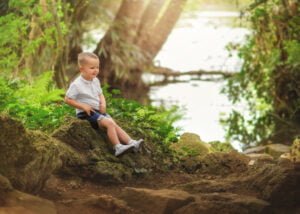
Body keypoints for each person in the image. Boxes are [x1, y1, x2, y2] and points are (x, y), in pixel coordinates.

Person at [65, 52, 143, 156]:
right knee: (109, 123)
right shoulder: (76, 84)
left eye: (97, 67)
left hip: (97, 111)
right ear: (82, 69)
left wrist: (103, 104)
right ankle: (118, 147)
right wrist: (83, 106)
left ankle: (131, 142)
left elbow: (100, 94)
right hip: (86, 113)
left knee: (113, 123)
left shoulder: (95, 80)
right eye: (92, 68)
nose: (96, 70)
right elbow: (67, 99)